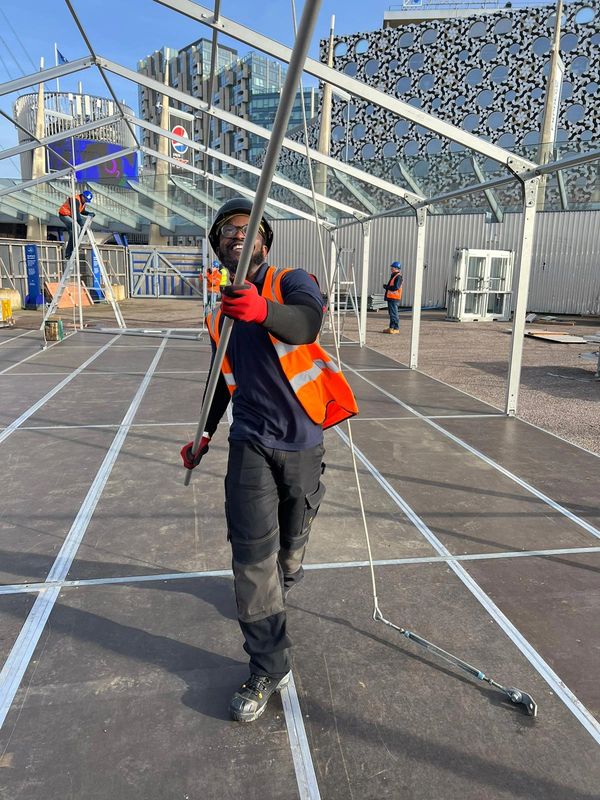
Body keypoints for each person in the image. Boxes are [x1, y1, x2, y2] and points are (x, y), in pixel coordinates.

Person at [180, 197, 358, 723]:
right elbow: (219, 385)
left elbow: (306, 325)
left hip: (302, 442)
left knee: (290, 550)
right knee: (253, 559)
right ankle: (266, 665)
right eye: (225, 232)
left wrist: (262, 310)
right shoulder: (220, 316)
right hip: (251, 442)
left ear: (263, 238)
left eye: (246, 228)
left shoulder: (291, 281)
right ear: (217, 248)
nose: (235, 235)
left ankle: (288, 570)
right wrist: (204, 435)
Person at [57, 190, 95, 260]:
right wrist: (82, 225)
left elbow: (82, 211)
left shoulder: (82, 202)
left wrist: (89, 213)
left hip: (69, 216)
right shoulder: (75, 200)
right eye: (85, 200)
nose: (85, 201)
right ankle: (75, 246)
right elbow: (76, 214)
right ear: (82, 196)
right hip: (64, 215)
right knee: (77, 227)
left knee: (72, 234)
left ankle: (68, 253)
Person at [382, 261, 403, 334]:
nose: (391, 268)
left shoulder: (398, 276)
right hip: (391, 297)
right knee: (391, 313)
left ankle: (396, 328)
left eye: (392, 267)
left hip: (394, 298)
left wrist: (387, 287)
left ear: (396, 268)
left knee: (394, 313)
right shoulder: (394, 275)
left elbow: (395, 287)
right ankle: (391, 328)